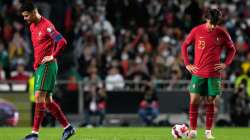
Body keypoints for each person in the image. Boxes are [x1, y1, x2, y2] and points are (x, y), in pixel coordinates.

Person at [20, 2, 75, 140]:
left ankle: (34, 134)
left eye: (26, 16)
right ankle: (68, 128)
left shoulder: (47, 26)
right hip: (39, 67)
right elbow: (38, 47)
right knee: (48, 101)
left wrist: (52, 56)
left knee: (38, 96)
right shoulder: (32, 26)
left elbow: (62, 41)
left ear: (34, 12)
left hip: (47, 65)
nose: (25, 19)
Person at [181, 8, 236, 139]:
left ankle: (208, 132)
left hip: (214, 74)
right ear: (206, 18)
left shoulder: (222, 33)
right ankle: (193, 130)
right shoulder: (196, 30)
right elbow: (184, 45)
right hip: (198, 72)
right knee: (194, 100)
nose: (213, 26)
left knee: (210, 101)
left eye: (215, 23)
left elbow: (232, 50)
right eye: (212, 22)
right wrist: (187, 64)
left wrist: (225, 63)